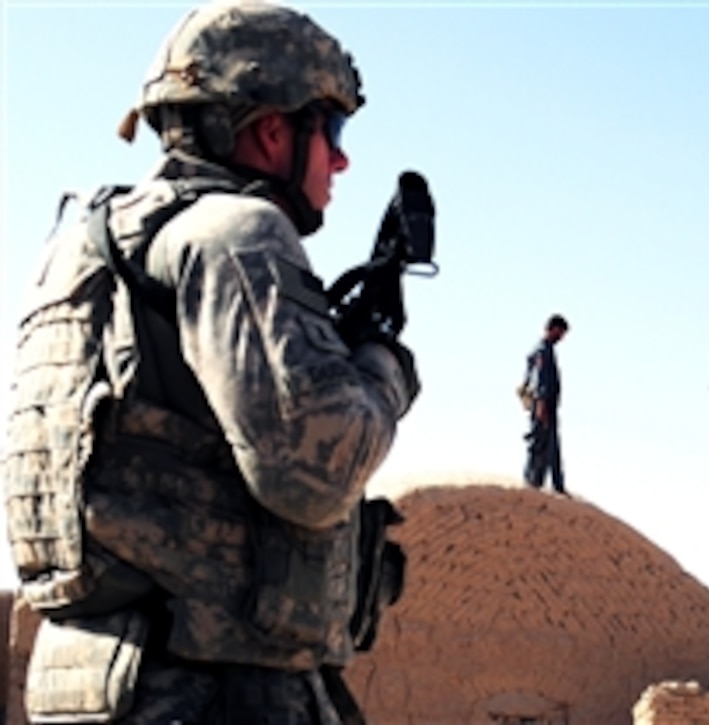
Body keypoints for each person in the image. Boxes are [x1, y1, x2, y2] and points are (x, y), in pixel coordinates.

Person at [2, 1, 420, 722]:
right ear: (270, 129)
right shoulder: (238, 234)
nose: (342, 159)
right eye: (333, 129)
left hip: (95, 678)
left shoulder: (77, 250)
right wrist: (382, 358)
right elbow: (316, 471)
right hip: (210, 688)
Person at [523, 314, 569, 495]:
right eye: (560, 332)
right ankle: (534, 482)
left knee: (549, 445)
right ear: (552, 329)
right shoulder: (543, 351)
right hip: (543, 405)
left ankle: (550, 484)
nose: (562, 337)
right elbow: (539, 379)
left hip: (546, 405)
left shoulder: (543, 350)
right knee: (540, 444)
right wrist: (541, 402)